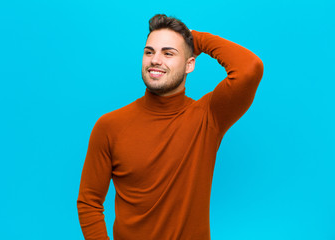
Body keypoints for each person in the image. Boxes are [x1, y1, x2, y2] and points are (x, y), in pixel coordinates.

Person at [77, 14, 264, 240]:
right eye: (149, 52)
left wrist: (195, 39)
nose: (155, 60)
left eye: (168, 53)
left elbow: (249, 68)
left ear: (189, 64)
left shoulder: (209, 117)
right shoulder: (109, 126)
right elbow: (89, 202)